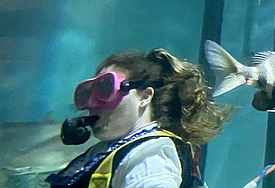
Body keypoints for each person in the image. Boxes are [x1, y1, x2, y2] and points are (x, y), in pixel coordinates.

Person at [46, 47, 234, 188]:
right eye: (87, 94)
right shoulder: (111, 150)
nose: (93, 104)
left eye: (105, 89)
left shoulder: (151, 154)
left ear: (145, 97)